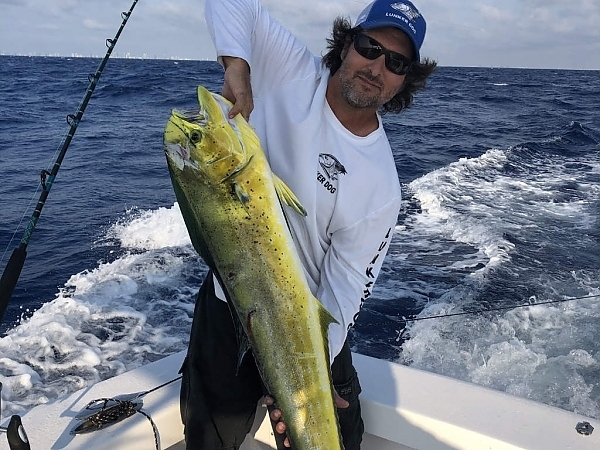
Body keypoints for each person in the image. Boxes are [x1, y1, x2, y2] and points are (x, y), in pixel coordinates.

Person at [179, 0, 437, 448]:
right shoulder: (291, 71)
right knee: (206, 439)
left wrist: (305, 379)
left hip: (309, 326)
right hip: (229, 302)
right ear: (346, 44)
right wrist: (237, 67)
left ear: (405, 80)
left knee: (338, 437)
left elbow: (343, 292)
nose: (376, 66)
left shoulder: (381, 186)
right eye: (368, 47)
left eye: (395, 62)